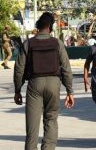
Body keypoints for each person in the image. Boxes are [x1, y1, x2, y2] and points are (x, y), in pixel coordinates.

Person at [13, 12, 75, 150]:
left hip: (35, 85)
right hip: (54, 84)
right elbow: (66, 68)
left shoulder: (28, 44)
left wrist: (17, 90)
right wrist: (70, 91)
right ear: (50, 27)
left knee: (32, 128)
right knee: (51, 120)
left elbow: (19, 70)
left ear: (38, 27)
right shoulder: (57, 43)